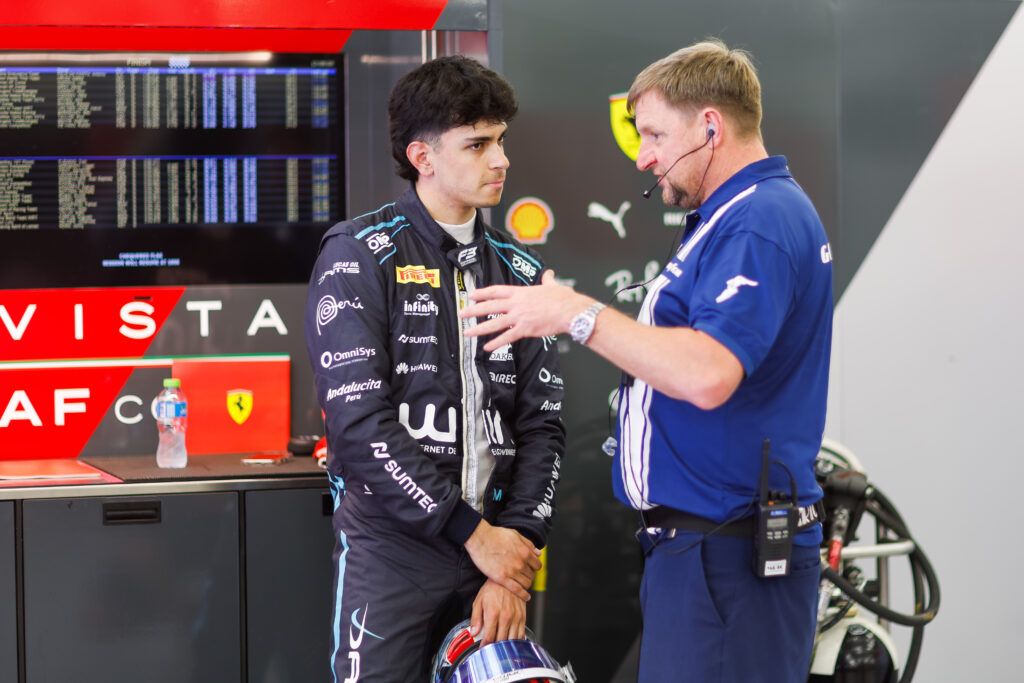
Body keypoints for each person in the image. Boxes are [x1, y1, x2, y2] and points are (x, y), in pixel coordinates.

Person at [460, 40, 833, 682]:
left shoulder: (759, 222)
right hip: (704, 554)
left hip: (726, 557)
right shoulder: (729, 219)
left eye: (655, 134)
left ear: (710, 126)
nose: (644, 156)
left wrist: (577, 314)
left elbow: (708, 373)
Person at [305, 55, 566, 682]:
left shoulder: (521, 268)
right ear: (422, 156)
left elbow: (543, 427)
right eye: (478, 144)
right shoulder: (359, 254)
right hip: (392, 553)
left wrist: (512, 557)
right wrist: (474, 534)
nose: (501, 160)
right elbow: (359, 425)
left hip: (497, 557)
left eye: (501, 140)